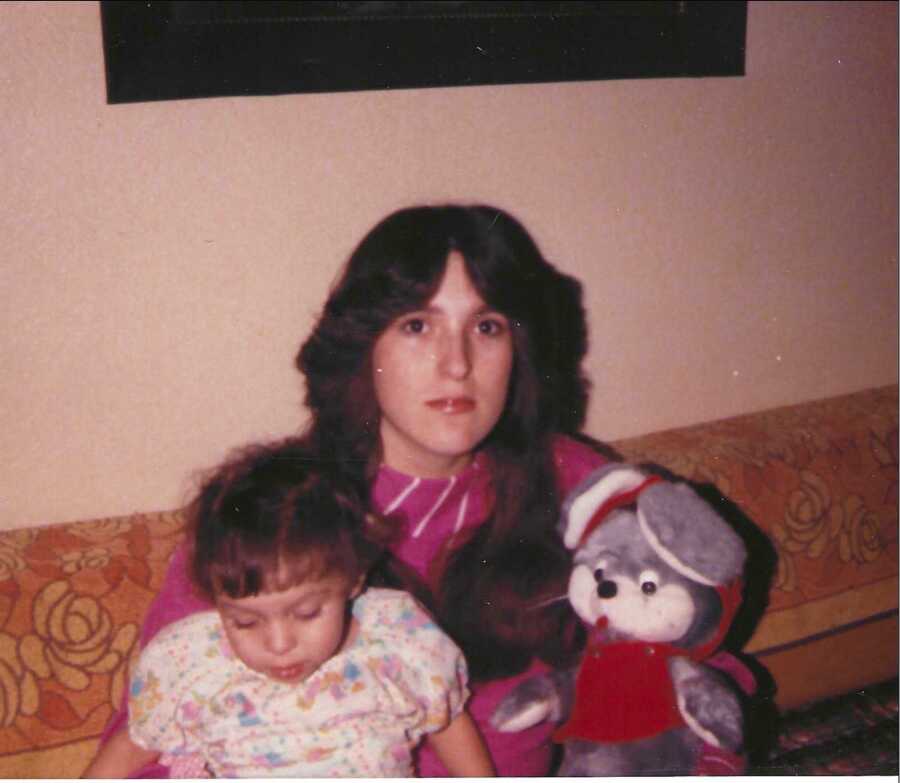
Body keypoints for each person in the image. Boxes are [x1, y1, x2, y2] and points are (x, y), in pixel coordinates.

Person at [98, 203, 753, 776]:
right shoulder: (274, 510)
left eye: (487, 326)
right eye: (417, 324)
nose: (456, 362)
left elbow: (690, 647)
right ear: (365, 346)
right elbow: (150, 737)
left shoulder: (577, 483)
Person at [85, 439, 494, 778]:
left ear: (353, 579)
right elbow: (130, 747)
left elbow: (451, 727)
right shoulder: (190, 662)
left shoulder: (399, 641)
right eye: (245, 621)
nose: (279, 644)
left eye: (307, 613)